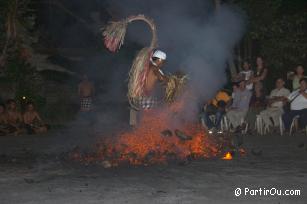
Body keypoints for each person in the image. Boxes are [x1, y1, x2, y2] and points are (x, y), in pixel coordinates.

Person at [129, 50, 169, 126]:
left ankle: (137, 130)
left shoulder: (147, 66)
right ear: (159, 60)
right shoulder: (154, 68)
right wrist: (171, 80)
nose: (163, 64)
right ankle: (142, 133)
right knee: (147, 121)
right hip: (147, 98)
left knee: (140, 119)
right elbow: (162, 79)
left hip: (140, 97)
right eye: (163, 62)